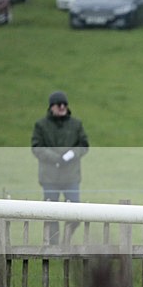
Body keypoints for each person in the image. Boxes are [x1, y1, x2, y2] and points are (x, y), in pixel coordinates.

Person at [31, 91, 90, 243]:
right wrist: (56, 159)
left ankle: (67, 239)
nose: (62, 107)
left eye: (64, 104)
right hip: (50, 177)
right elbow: (37, 147)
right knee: (51, 212)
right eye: (59, 104)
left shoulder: (76, 124)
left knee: (75, 211)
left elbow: (83, 145)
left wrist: (70, 155)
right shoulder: (41, 125)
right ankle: (53, 245)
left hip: (71, 177)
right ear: (51, 107)